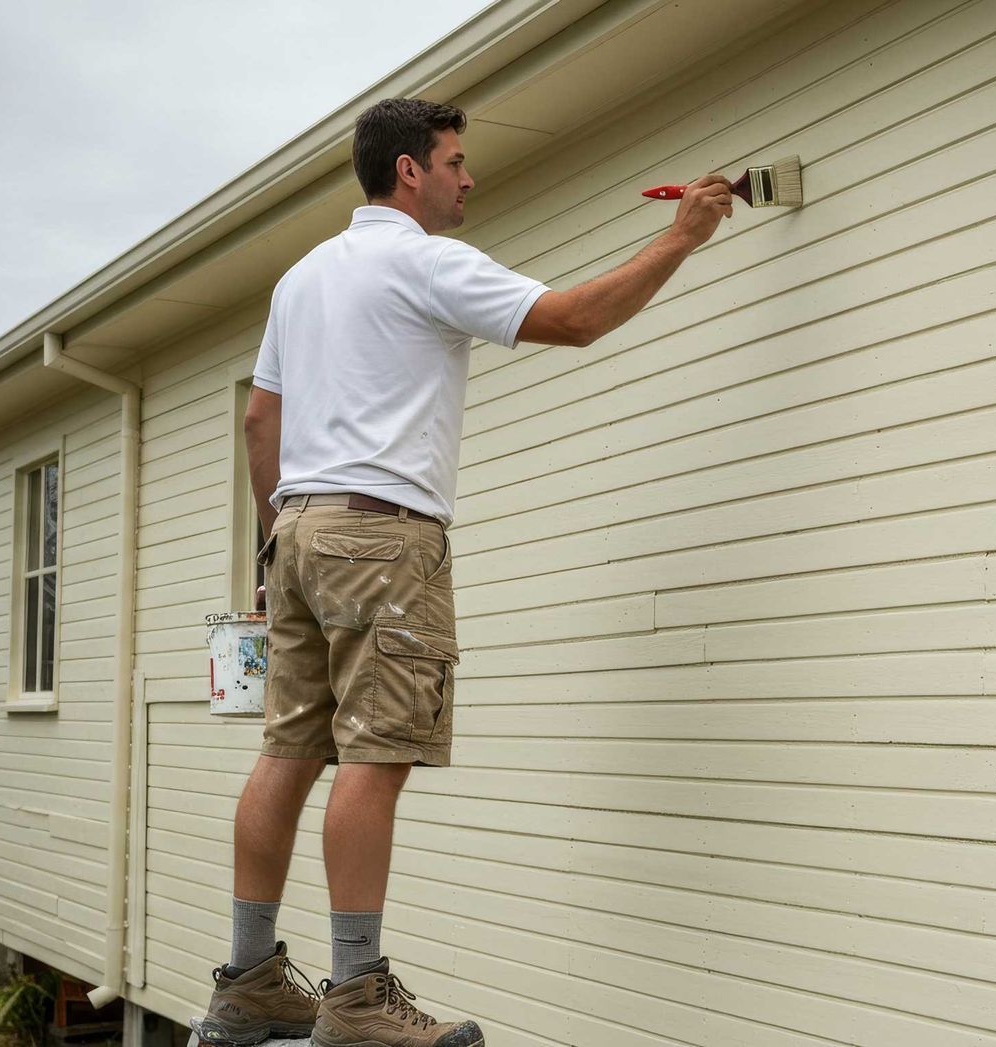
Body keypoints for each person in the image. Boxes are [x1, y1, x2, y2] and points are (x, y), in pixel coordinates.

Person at [194, 98, 732, 1047]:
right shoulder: (426, 260)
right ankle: (356, 998)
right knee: (375, 754)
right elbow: (572, 321)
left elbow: (257, 422)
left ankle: (246, 983)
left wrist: (278, 540)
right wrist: (679, 237)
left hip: (299, 532)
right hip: (382, 537)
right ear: (410, 171)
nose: (468, 178)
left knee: (288, 749)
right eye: (456, 161)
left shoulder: (302, 278)